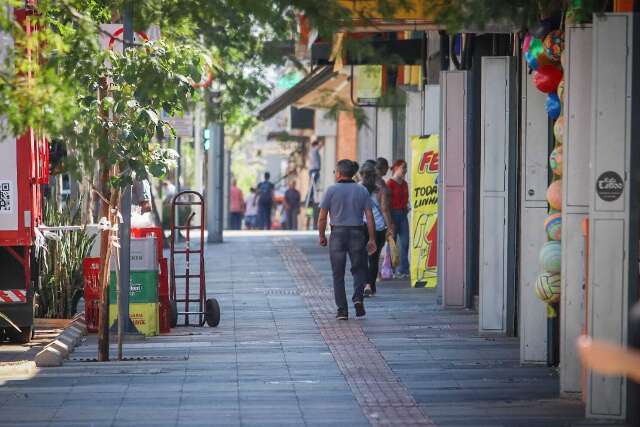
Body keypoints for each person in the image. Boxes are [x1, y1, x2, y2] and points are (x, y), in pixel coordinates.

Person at [318, 159, 377, 320]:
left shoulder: (331, 190)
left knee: (338, 274)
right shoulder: (362, 190)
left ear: (338, 173)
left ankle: (342, 310)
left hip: (337, 234)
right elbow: (369, 216)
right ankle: (358, 298)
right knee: (359, 269)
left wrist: (322, 235)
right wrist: (372, 238)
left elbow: (322, 217)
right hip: (357, 233)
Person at [359, 161, 393, 297]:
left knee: (361, 257)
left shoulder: (358, 188)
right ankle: (370, 285)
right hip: (378, 228)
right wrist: (389, 226)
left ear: (362, 174)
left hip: (361, 227)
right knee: (373, 258)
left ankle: (365, 284)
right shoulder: (381, 190)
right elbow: (384, 210)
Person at [386, 159, 410, 279]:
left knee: (405, 242)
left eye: (406, 168)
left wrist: (407, 206)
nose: (405, 170)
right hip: (393, 214)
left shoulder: (405, 184)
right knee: (392, 243)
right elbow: (385, 202)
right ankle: (390, 269)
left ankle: (403, 269)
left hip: (403, 214)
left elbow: (406, 198)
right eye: (403, 168)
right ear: (396, 168)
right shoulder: (389, 183)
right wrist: (389, 220)